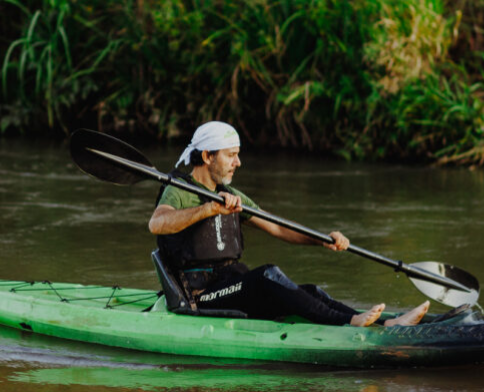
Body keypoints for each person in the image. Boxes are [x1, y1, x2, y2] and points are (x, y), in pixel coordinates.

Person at [148, 121, 429, 327]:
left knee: (310, 292)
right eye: (231, 155)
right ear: (208, 156)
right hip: (200, 296)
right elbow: (157, 224)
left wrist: (321, 239)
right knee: (268, 275)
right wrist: (207, 209)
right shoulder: (180, 190)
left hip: (230, 284)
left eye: (238, 154)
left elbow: (279, 227)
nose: (239, 162)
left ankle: (385, 325)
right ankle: (352, 321)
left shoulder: (231, 195)